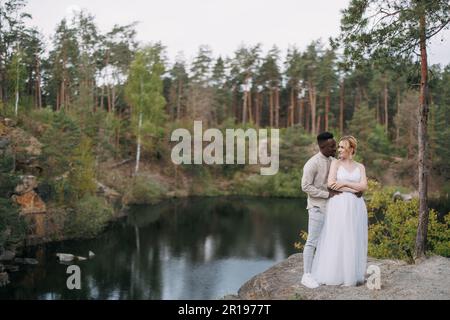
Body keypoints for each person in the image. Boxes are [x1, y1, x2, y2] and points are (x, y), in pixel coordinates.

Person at [311, 135, 368, 286]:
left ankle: (351, 275)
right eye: (339, 147)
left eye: (343, 147)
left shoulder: (360, 167)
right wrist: (349, 186)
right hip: (339, 205)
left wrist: (343, 184)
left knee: (352, 238)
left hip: (356, 206)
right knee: (338, 237)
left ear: (352, 149)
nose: (339, 150)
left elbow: (363, 187)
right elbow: (332, 184)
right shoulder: (336, 164)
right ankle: (335, 274)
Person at [300, 132, 341, 289]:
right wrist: (327, 194)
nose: (335, 148)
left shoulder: (333, 161)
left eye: (335, 145)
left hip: (332, 208)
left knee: (327, 241)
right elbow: (305, 186)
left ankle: (322, 272)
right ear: (322, 147)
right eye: (332, 146)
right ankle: (306, 275)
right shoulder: (312, 163)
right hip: (317, 208)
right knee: (312, 241)